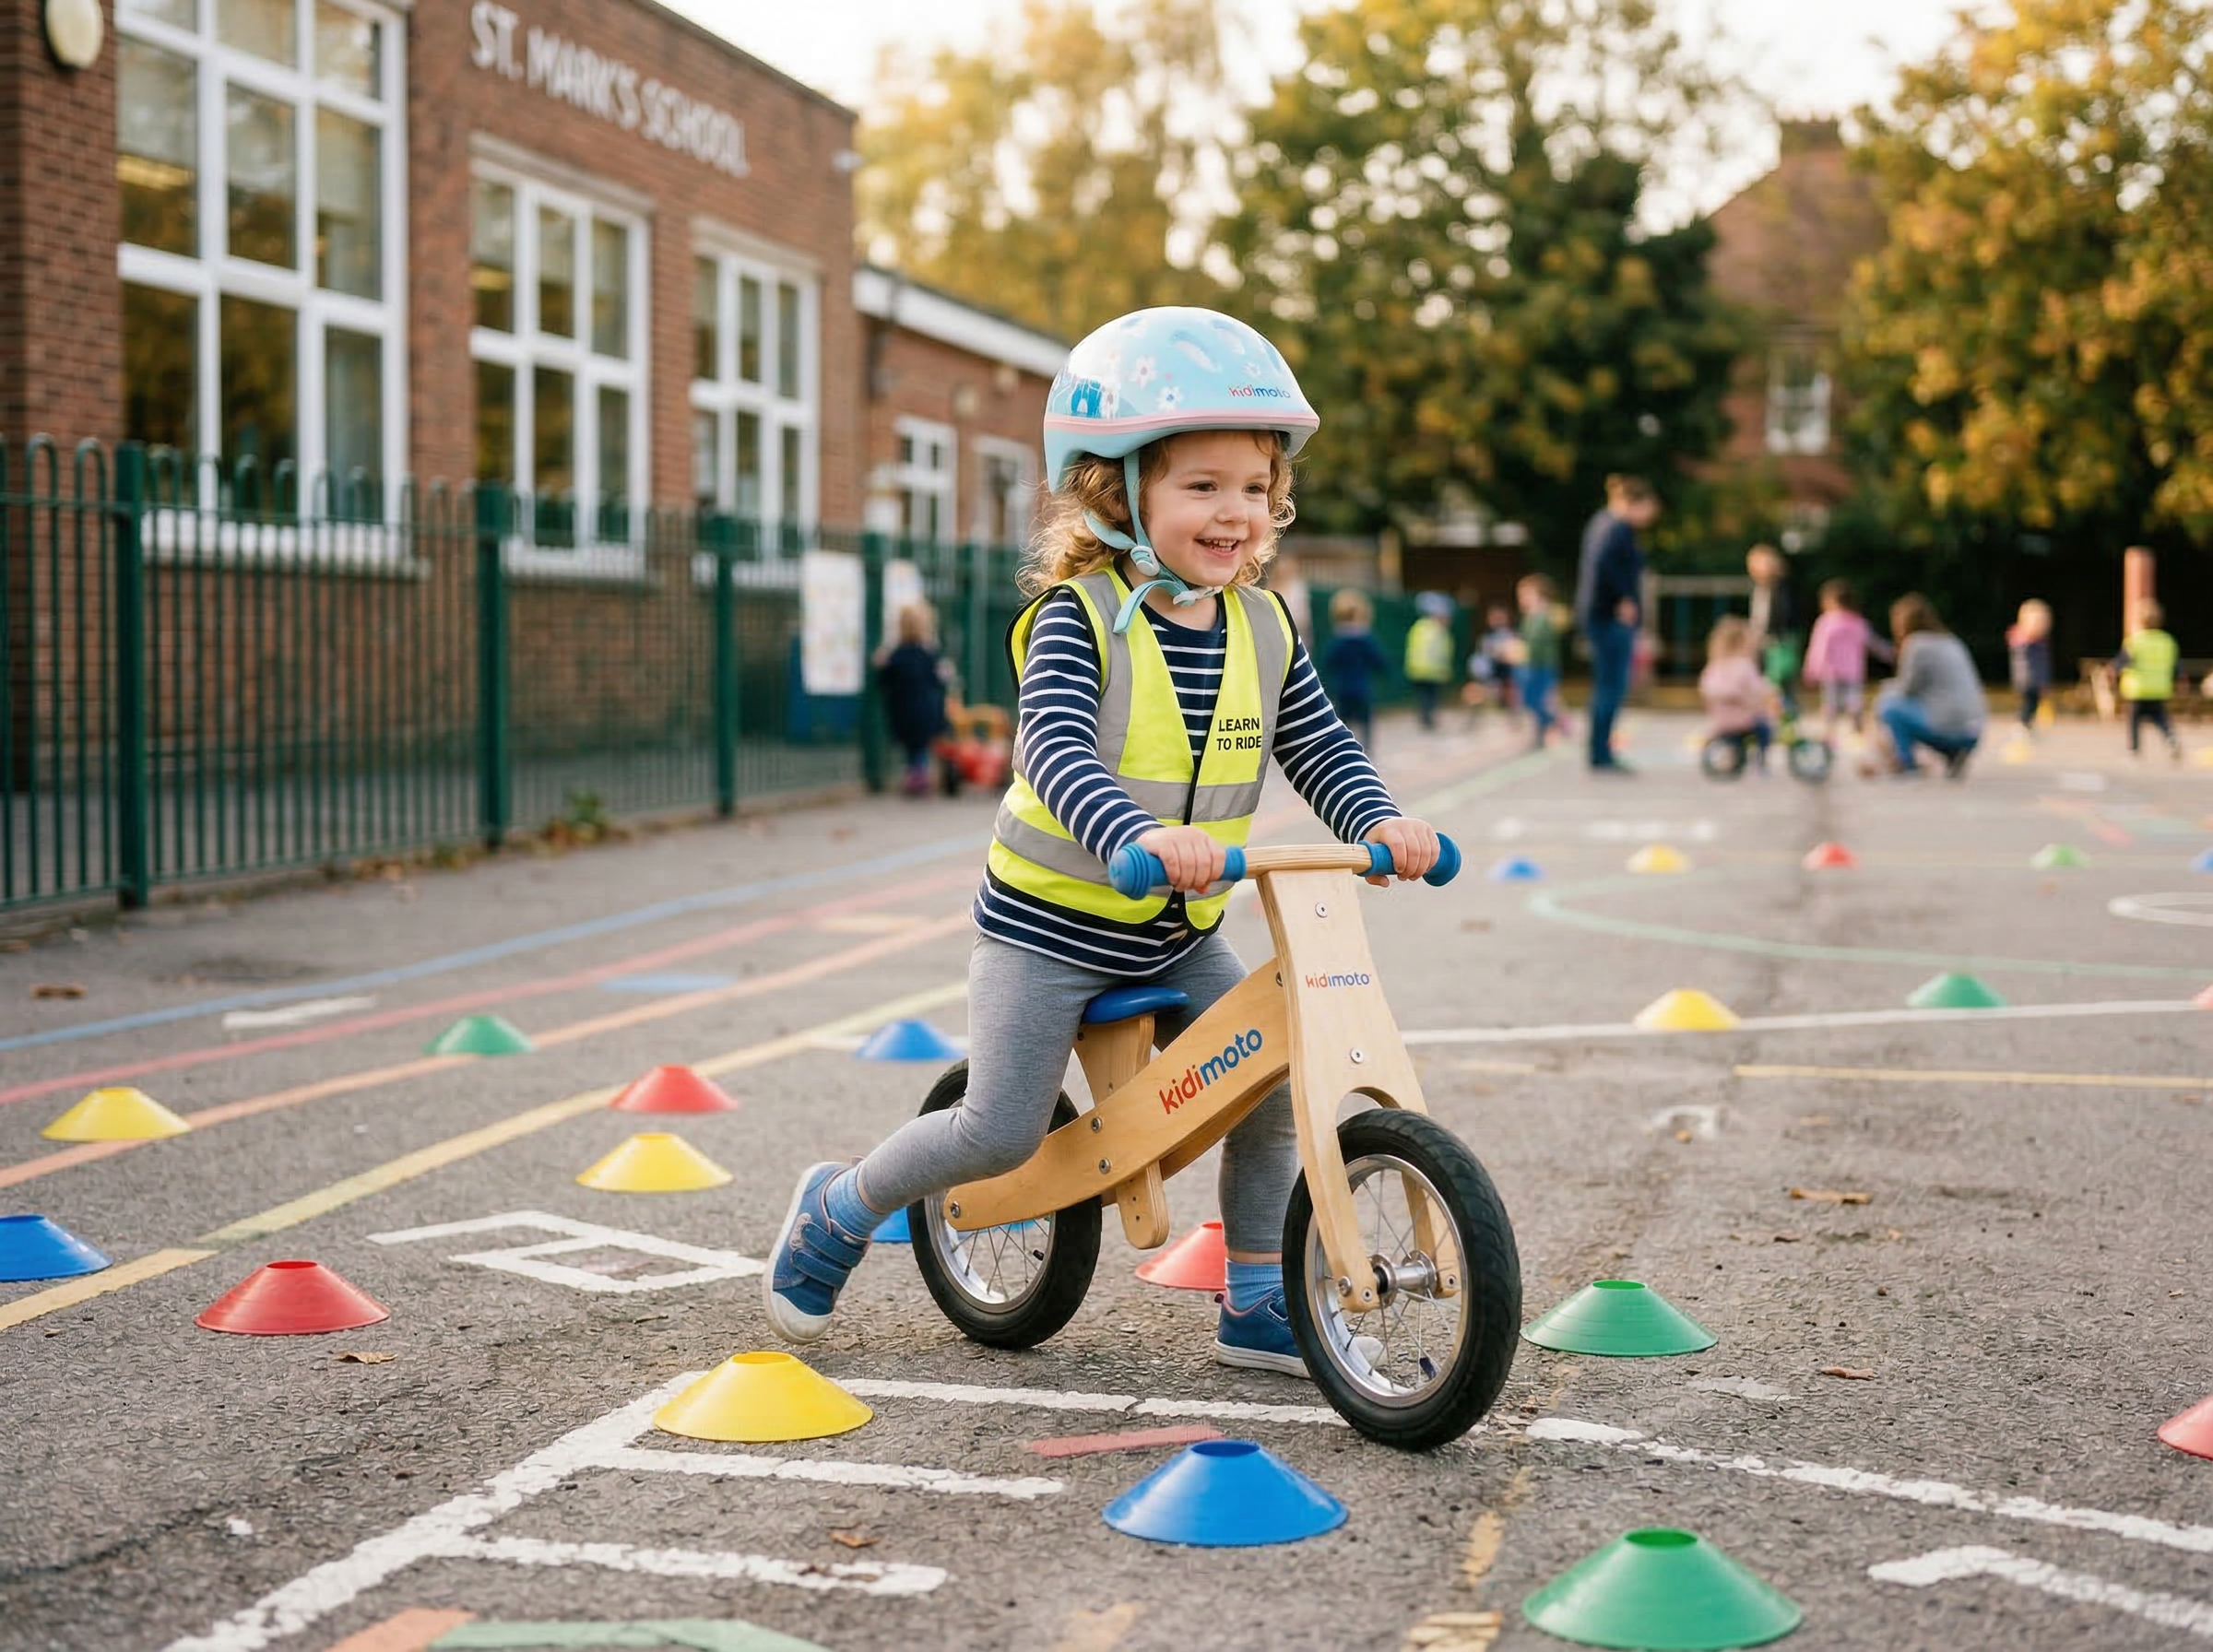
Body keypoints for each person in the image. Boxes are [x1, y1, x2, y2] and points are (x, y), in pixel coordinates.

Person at [763, 306, 1442, 1378]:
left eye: (1256, 489)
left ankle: (1259, 1297)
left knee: (1272, 1073)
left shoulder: (1265, 627)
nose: (1236, 515)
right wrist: (1134, 831)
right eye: (1202, 487)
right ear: (1117, 491)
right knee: (998, 1128)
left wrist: (1379, 822)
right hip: (1049, 928)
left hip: (1174, 930)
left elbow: (1319, 746)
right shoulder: (1081, 618)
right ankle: (839, 1208)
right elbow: (1058, 752)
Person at [1575, 474, 1657, 773]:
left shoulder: (1604, 524)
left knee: (1606, 686)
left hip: (1603, 617)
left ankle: (1599, 752)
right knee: (1611, 686)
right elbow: (1604, 566)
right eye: (1647, 507)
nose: (1650, 516)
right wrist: (1622, 599)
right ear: (1634, 503)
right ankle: (1601, 753)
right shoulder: (1615, 528)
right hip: (1609, 619)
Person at [1871, 594, 1986, 778]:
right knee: (1909, 706)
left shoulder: (1916, 644)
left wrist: (1885, 688)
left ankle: (1906, 763)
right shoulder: (1951, 640)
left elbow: (1906, 690)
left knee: (1888, 705)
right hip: (1973, 731)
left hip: (1947, 727)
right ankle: (1953, 753)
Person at [876, 602, 955, 796]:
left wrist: (881, 666)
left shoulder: (895, 655)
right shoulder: (929, 653)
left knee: (914, 747)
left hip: (903, 710)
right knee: (922, 745)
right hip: (927, 709)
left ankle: (917, 775)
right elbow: (939, 680)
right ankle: (919, 777)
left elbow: (885, 681)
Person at [1802, 579, 1890, 742]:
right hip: (1852, 670)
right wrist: (1890, 654)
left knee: (1831, 705)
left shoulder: (1826, 622)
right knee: (1854, 701)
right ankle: (1858, 734)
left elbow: (1818, 648)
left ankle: (1830, 736)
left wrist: (1812, 670)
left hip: (1831, 671)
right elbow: (1873, 643)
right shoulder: (1857, 622)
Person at [1699, 616, 1779, 772]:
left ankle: (1735, 757)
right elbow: (1758, 688)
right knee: (1766, 729)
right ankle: (1761, 759)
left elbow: (1706, 687)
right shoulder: (1744, 666)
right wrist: (1768, 693)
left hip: (1721, 718)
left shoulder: (1716, 666)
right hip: (1743, 719)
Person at [1320, 588, 1390, 750]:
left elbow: (1327, 662)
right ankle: (1367, 748)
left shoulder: (1337, 639)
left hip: (1343, 687)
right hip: (1362, 687)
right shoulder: (1366, 639)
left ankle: (1344, 747)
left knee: (1343, 721)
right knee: (1365, 721)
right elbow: (1379, 660)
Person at [2115, 599, 2183, 761]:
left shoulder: (2135, 641)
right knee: (2160, 717)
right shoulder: (2167, 641)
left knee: (2134, 719)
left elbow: (2123, 662)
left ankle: (2134, 749)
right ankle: (2170, 739)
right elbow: (2175, 665)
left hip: (2137, 688)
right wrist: (2177, 680)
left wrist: (2114, 671)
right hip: (2159, 687)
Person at [1745, 543, 1801, 713]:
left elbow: (1781, 615)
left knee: (1781, 683)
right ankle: (1775, 716)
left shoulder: (1781, 587)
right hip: (1765, 641)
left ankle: (1788, 718)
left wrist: (1770, 633)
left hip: (1779, 641)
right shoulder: (1761, 588)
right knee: (1769, 683)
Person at [1515, 573, 1566, 749]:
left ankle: (1551, 725)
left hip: (1542, 665)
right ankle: (1546, 728)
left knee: (1539, 701)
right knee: (1530, 701)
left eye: (1525, 594)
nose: (1521, 599)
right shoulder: (1530, 617)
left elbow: (1536, 643)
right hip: (1530, 665)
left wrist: (1520, 652)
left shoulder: (1544, 616)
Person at [1404, 592, 1456, 730]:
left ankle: (1426, 718)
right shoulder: (1438, 631)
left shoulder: (1419, 627)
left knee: (1424, 697)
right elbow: (1441, 653)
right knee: (1431, 698)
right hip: (1433, 671)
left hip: (1418, 670)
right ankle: (1428, 719)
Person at [2006, 599, 2053, 734]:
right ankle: (2022, 722)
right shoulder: (2025, 643)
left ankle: (2026, 723)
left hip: (2034, 678)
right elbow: (2029, 665)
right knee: (2029, 702)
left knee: (2032, 702)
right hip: (2029, 679)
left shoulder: (2037, 643)